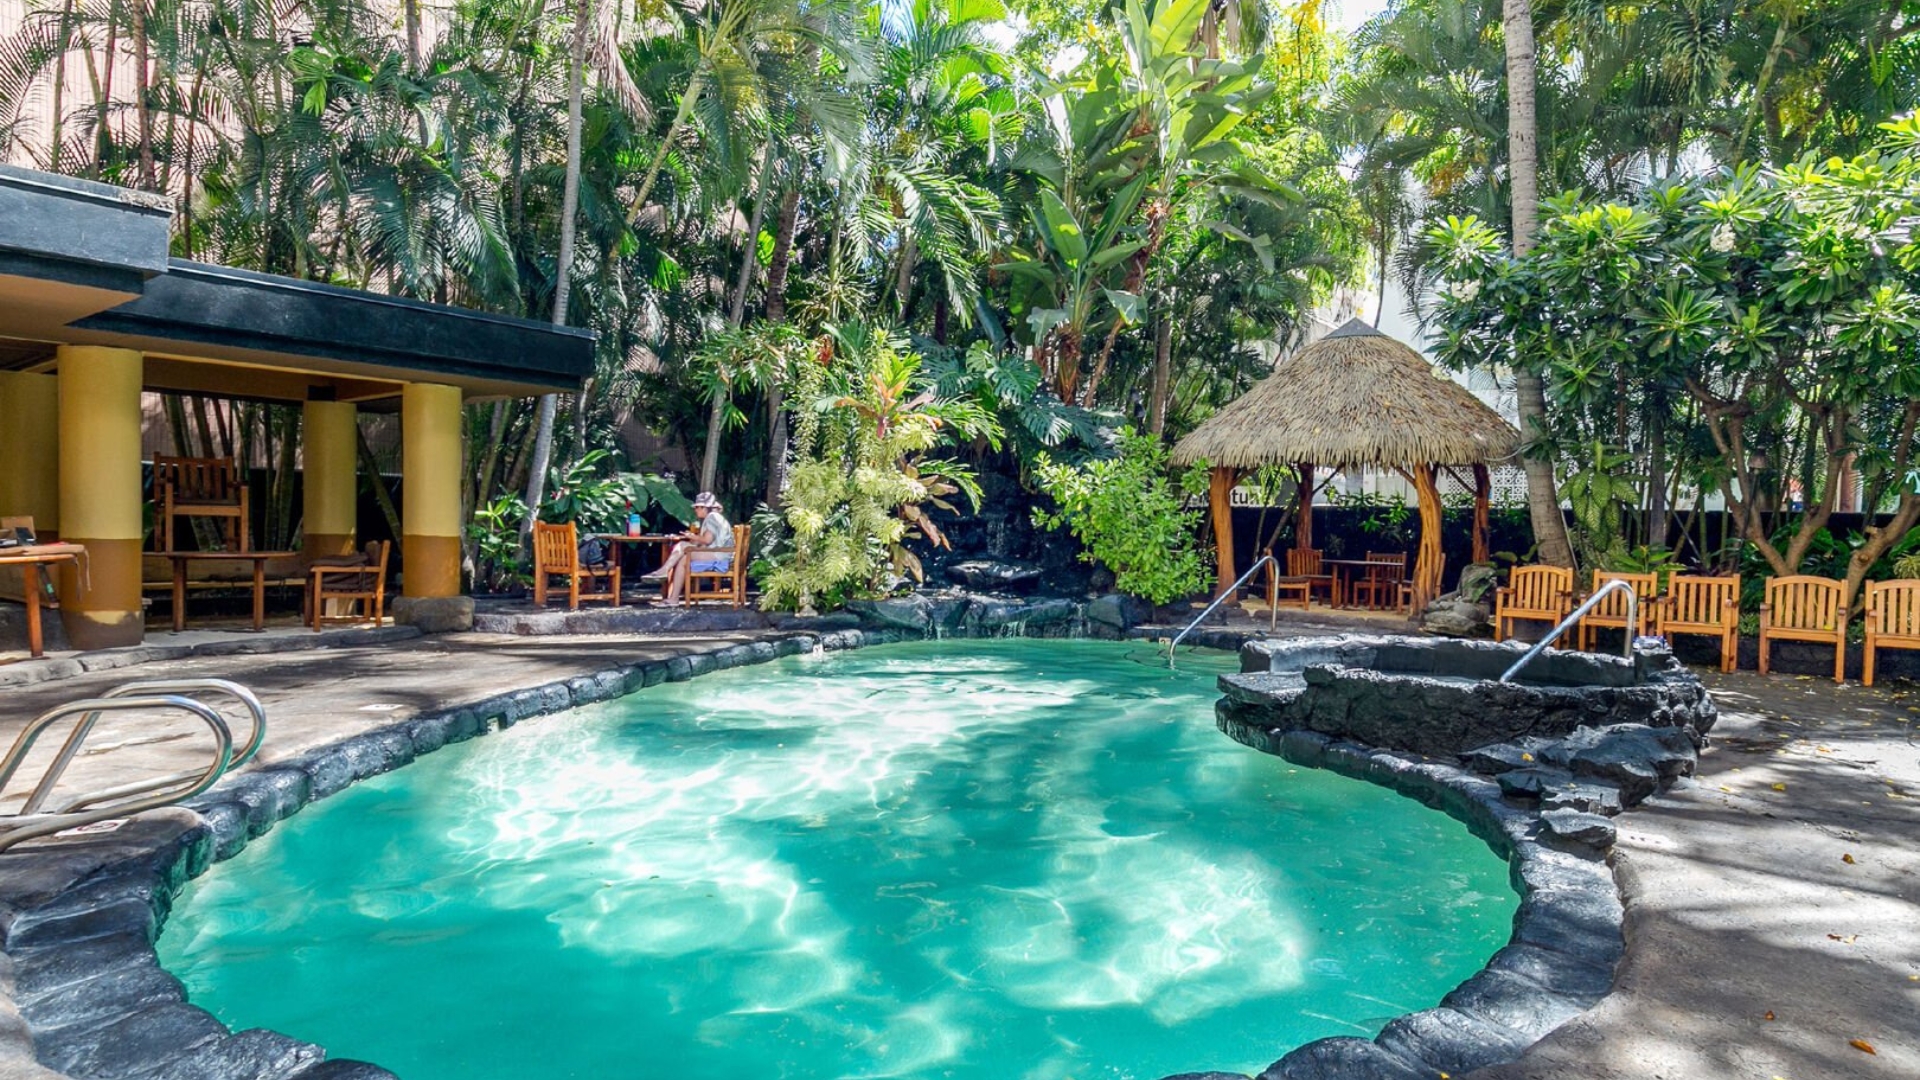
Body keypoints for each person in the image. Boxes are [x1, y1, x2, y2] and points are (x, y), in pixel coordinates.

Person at [643, 492, 733, 605]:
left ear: (704, 508)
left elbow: (707, 540)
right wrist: (691, 539)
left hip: (720, 556)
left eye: (697, 507)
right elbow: (704, 541)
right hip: (718, 554)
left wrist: (691, 537)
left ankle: (666, 578)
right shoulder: (714, 517)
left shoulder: (712, 517)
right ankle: (671, 591)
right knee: (683, 552)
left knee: (683, 552)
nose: (695, 510)